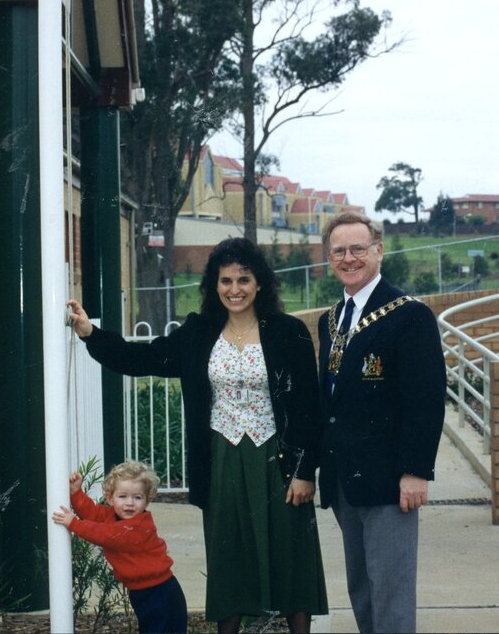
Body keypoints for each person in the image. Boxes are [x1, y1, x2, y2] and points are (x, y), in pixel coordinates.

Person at [66, 237, 327, 634]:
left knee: (289, 549)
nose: (234, 289)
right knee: (228, 553)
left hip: (278, 457)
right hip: (220, 457)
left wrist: (305, 471)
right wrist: (90, 333)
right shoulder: (200, 332)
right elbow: (142, 358)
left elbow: (309, 406)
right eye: (225, 281)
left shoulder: (288, 332)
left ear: (260, 283)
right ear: (214, 285)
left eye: (243, 279)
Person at [316, 212, 446, 633]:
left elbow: (425, 401)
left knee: (391, 594)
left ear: (378, 251)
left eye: (358, 249)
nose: (348, 258)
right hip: (344, 480)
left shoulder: (410, 316)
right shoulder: (332, 319)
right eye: (339, 250)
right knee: (362, 590)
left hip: (391, 480)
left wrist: (415, 471)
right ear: (329, 257)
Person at [52, 460, 188, 634]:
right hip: (142, 592)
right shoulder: (112, 516)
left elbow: (105, 534)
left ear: (146, 501)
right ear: (110, 498)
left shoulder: (139, 527)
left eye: (137, 497)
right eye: (122, 496)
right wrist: (76, 493)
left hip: (161, 592)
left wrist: (74, 524)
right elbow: (92, 514)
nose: (129, 503)